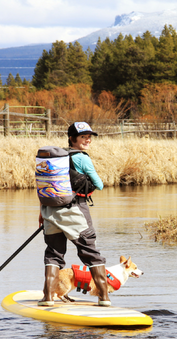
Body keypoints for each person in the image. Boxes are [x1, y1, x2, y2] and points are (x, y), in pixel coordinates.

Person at [37, 121, 111, 307]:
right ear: (72, 138)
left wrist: (42, 212)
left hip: (49, 211)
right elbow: (99, 185)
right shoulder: (82, 158)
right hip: (74, 211)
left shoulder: (54, 159)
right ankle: (104, 298)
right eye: (83, 137)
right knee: (91, 253)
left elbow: (45, 186)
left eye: (89, 137)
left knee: (53, 254)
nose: (87, 140)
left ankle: (47, 298)